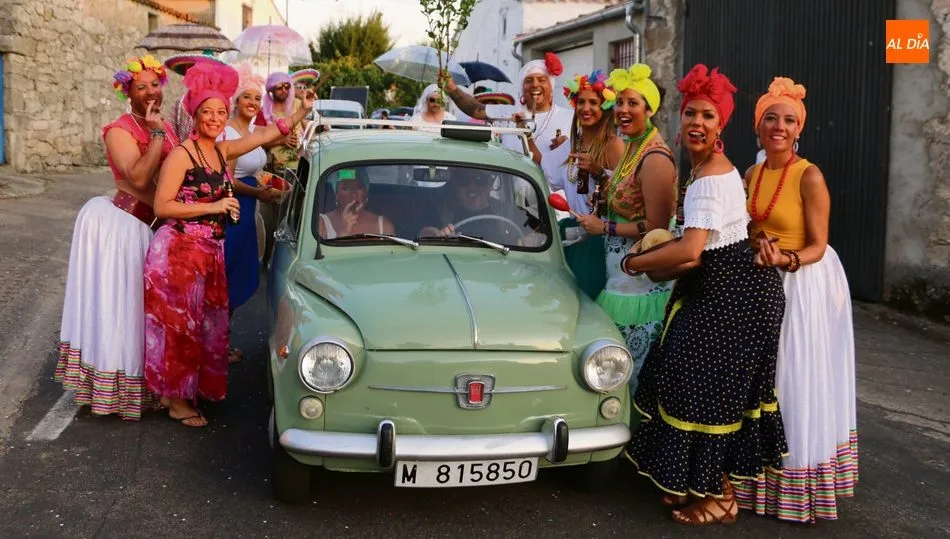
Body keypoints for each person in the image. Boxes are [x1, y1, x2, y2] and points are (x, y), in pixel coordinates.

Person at [621, 64, 788, 526]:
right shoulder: (704, 170)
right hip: (725, 288)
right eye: (691, 113)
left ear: (721, 125)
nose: (696, 123)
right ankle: (695, 485)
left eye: (708, 116)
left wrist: (632, 263)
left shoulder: (710, 179)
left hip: (734, 295)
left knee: (711, 394)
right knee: (690, 384)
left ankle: (722, 498)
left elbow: (692, 251)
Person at [144, 63, 315, 427]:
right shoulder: (182, 154)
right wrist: (215, 205)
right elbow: (162, 206)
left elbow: (268, 134)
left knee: (207, 326)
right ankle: (176, 402)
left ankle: (188, 390)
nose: (216, 118)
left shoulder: (221, 151)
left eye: (221, 112)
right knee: (181, 329)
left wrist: (302, 109)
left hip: (209, 251)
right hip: (178, 252)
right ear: (195, 114)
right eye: (208, 111)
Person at [732, 77, 858, 523]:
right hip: (762, 276)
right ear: (758, 126)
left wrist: (784, 258)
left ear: (798, 128)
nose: (779, 126)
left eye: (788, 119)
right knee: (759, 377)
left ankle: (794, 483)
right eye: (771, 117)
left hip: (802, 282)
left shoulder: (810, 175)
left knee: (792, 377)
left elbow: (818, 245)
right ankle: (751, 480)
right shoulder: (751, 174)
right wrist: (754, 245)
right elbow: (747, 228)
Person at [55, 56, 180, 421]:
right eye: (140, 87)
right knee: (124, 310)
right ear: (129, 92)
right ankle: (116, 389)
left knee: (147, 312)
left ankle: (153, 383)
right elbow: (140, 180)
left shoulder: (169, 127)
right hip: (124, 228)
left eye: (154, 85)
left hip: (156, 228)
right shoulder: (119, 130)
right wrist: (156, 134)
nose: (149, 92)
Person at [572, 64, 676, 377]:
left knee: (628, 366)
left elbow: (657, 228)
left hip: (639, 280)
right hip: (620, 273)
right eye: (620, 103)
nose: (623, 110)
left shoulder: (655, 157)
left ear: (650, 110)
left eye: (633, 104)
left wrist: (604, 227)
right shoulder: (633, 147)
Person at [217, 64, 282, 363]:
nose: (253, 103)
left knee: (238, 277)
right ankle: (216, 346)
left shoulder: (251, 130)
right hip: (233, 213)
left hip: (250, 209)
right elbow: (227, 182)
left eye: (257, 97)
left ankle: (221, 342)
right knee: (226, 279)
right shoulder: (227, 132)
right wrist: (258, 192)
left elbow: (271, 137)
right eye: (247, 96)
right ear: (235, 100)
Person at [540, 69, 624, 300]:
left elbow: (626, 195)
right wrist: (526, 136)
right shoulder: (571, 147)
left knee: (591, 301)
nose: (586, 108)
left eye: (594, 103)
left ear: (605, 108)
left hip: (604, 240)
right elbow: (541, 168)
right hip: (575, 236)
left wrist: (599, 172)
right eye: (581, 102)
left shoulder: (613, 145)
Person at [442, 52, 573, 165]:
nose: (535, 85)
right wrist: (453, 89)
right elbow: (474, 109)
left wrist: (567, 148)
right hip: (511, 192)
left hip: (550, 193)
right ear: (522, 88)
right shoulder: (508, 113)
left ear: (551, 86)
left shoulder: (569, 118)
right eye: (529, 80)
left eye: (541, 80)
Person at [260, 71, 303, 267]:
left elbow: (311, 128)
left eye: (287, 86)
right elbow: (258, 142)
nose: (284, 90)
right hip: (273, 171)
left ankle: (285, 261)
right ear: (271, 90)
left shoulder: (296, 107)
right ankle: (267, 258)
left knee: (292, 218)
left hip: (297, 170)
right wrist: (282, 139)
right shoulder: (264, 112)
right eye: (279, 87)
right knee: (271, 220)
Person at [318, 168, 395, 238]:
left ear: (366, 193)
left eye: (359, 187)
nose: (353, 194)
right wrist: (345, 231)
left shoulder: (384, 225)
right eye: (345, 188)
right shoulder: (322, 224)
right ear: (336, 195)